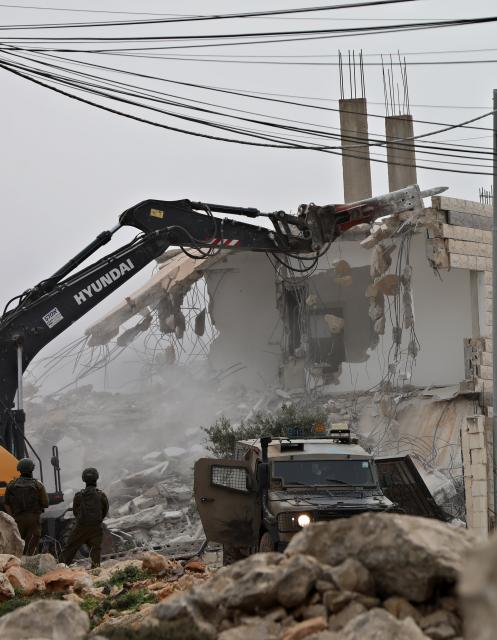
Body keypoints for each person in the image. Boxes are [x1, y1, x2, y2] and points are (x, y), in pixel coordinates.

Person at [61, 467, 109, 569]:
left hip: (81, 527)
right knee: (95, 551)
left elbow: (75, 512)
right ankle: (96, 573)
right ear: (97, 478)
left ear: (83, 479)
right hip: (96, 527)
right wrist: (97, 521)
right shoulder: (101, 495)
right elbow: (105, 511)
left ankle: (60, 569)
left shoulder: (79, 496)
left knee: (70, 548)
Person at [5, 457, 49, 555]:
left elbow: (6, 504)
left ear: (19, 469)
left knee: (17, 546)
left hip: (17, 518)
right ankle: (30, 568)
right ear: (32, 469)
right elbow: (46, 503)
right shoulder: (38, 484)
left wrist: (12, 516)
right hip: (34, 519)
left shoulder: (11, 485)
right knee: (31, 547)